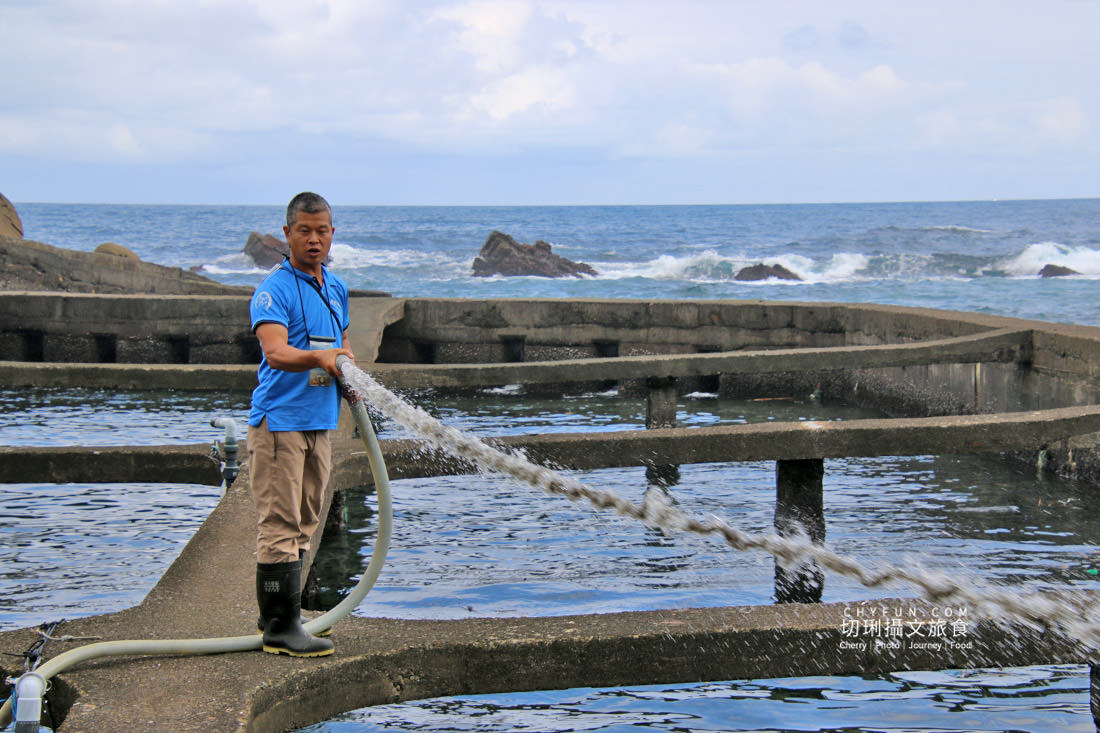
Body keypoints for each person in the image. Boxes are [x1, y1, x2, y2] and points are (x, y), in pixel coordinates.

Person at [247, 191, 354, 657]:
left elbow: (344, 346)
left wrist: (351, 374)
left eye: (322, 231)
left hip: (320, 420)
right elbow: (276, 351)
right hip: (280, 423)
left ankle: (285, 615)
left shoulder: (335, 287)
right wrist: (318, 357)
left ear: (333, 234)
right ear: (287, 234)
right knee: (280, 521)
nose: (314, 239)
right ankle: (278, 630)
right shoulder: (275, 288)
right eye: (305, 231)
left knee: (309, 517)